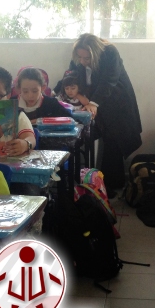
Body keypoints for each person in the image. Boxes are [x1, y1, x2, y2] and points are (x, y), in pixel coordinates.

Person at [54, 33, 142, 193]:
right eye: (80, 57)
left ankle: (111, 186)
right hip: (92, 102)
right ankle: (89, 182)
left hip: (116, 102)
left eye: (87, 58)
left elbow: (109, 81)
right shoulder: (78, 58)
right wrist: (54, 94)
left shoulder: (109, 52)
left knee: (114, 142)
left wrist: (93, 103)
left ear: (94, 54)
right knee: (85, 139)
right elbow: (70, 77)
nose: (82, 61)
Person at [0, 66, 36, 156]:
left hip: (5, 161)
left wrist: (25, 144)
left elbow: (31, 138)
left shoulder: (17, 114)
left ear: (8, 96)